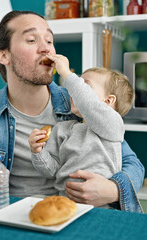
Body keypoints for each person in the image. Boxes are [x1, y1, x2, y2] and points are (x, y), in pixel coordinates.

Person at [0, 10, 144, 212]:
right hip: (4, 219)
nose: (46, 49)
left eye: (49, 41)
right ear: (4, 55)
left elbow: (132, 164)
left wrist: (113, 189)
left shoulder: (79, 106)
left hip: (70, 216)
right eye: (32, 40)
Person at [28, 54, 134, 209]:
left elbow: (89, 103)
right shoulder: (63, 129)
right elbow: (52, 170)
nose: (74, 91)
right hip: (63, 203)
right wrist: (37, 152)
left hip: (101, 207)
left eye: (86, 85)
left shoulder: (113, 125)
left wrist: (67, 74)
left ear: (108, 101)